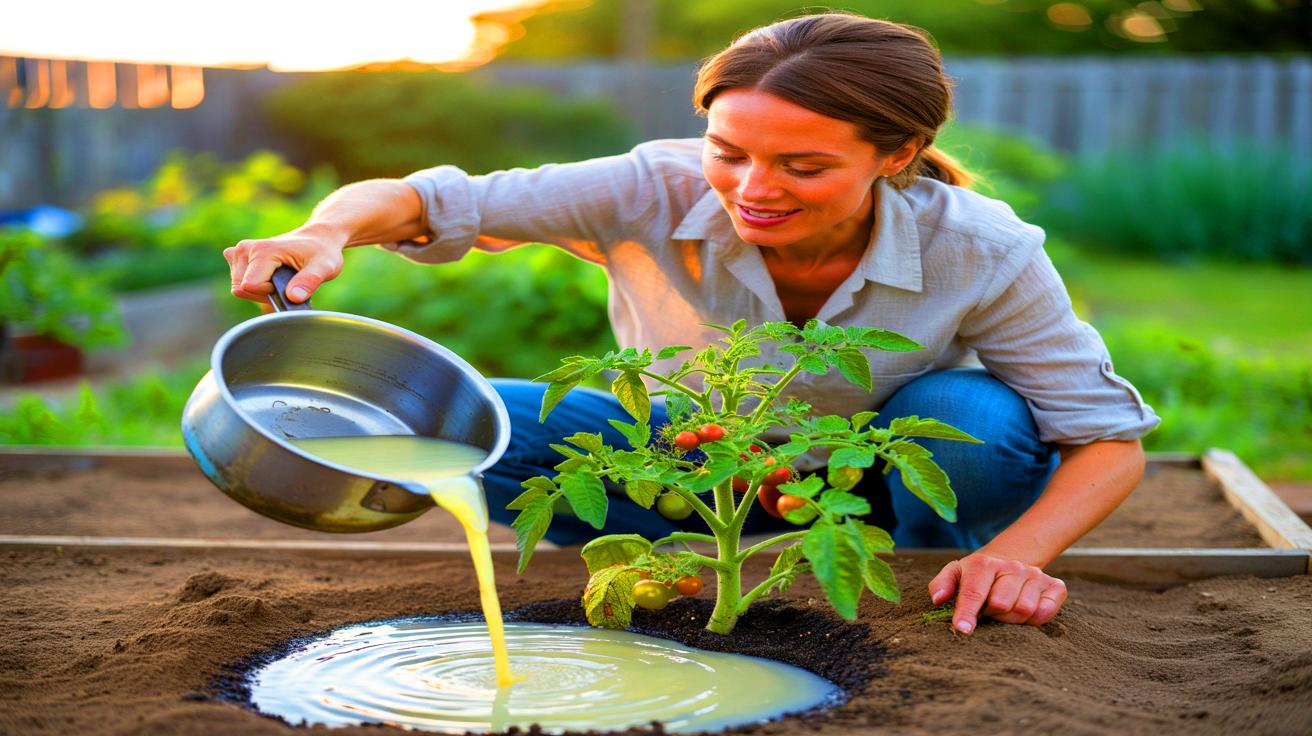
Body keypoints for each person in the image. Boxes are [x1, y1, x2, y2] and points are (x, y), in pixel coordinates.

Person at [225, 13, 1159, 636]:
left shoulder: (980, 246)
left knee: (974, 415)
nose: (755, 190)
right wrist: (323, 230)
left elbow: (1108, 440)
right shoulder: (649, 185)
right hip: (692, 467)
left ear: (898, 154)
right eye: (729, 152)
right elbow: (432, 198)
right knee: (477, 416)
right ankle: (691, 562)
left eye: (802, 165)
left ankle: (931, 574)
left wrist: (1019, 555)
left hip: (871, 481)